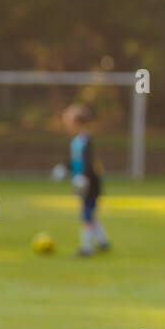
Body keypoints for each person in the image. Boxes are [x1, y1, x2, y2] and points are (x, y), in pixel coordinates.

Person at [62, 103, 111, 257]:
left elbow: (89, 162)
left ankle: (86, 248)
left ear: (77, 123)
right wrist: (65, 167)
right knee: (88, 213)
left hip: (90, 184)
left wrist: (84, 177)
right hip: (81, 182)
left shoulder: (85, 141)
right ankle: (103, 242)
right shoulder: (76, 141)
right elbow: (76, 160)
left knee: (86, 215)